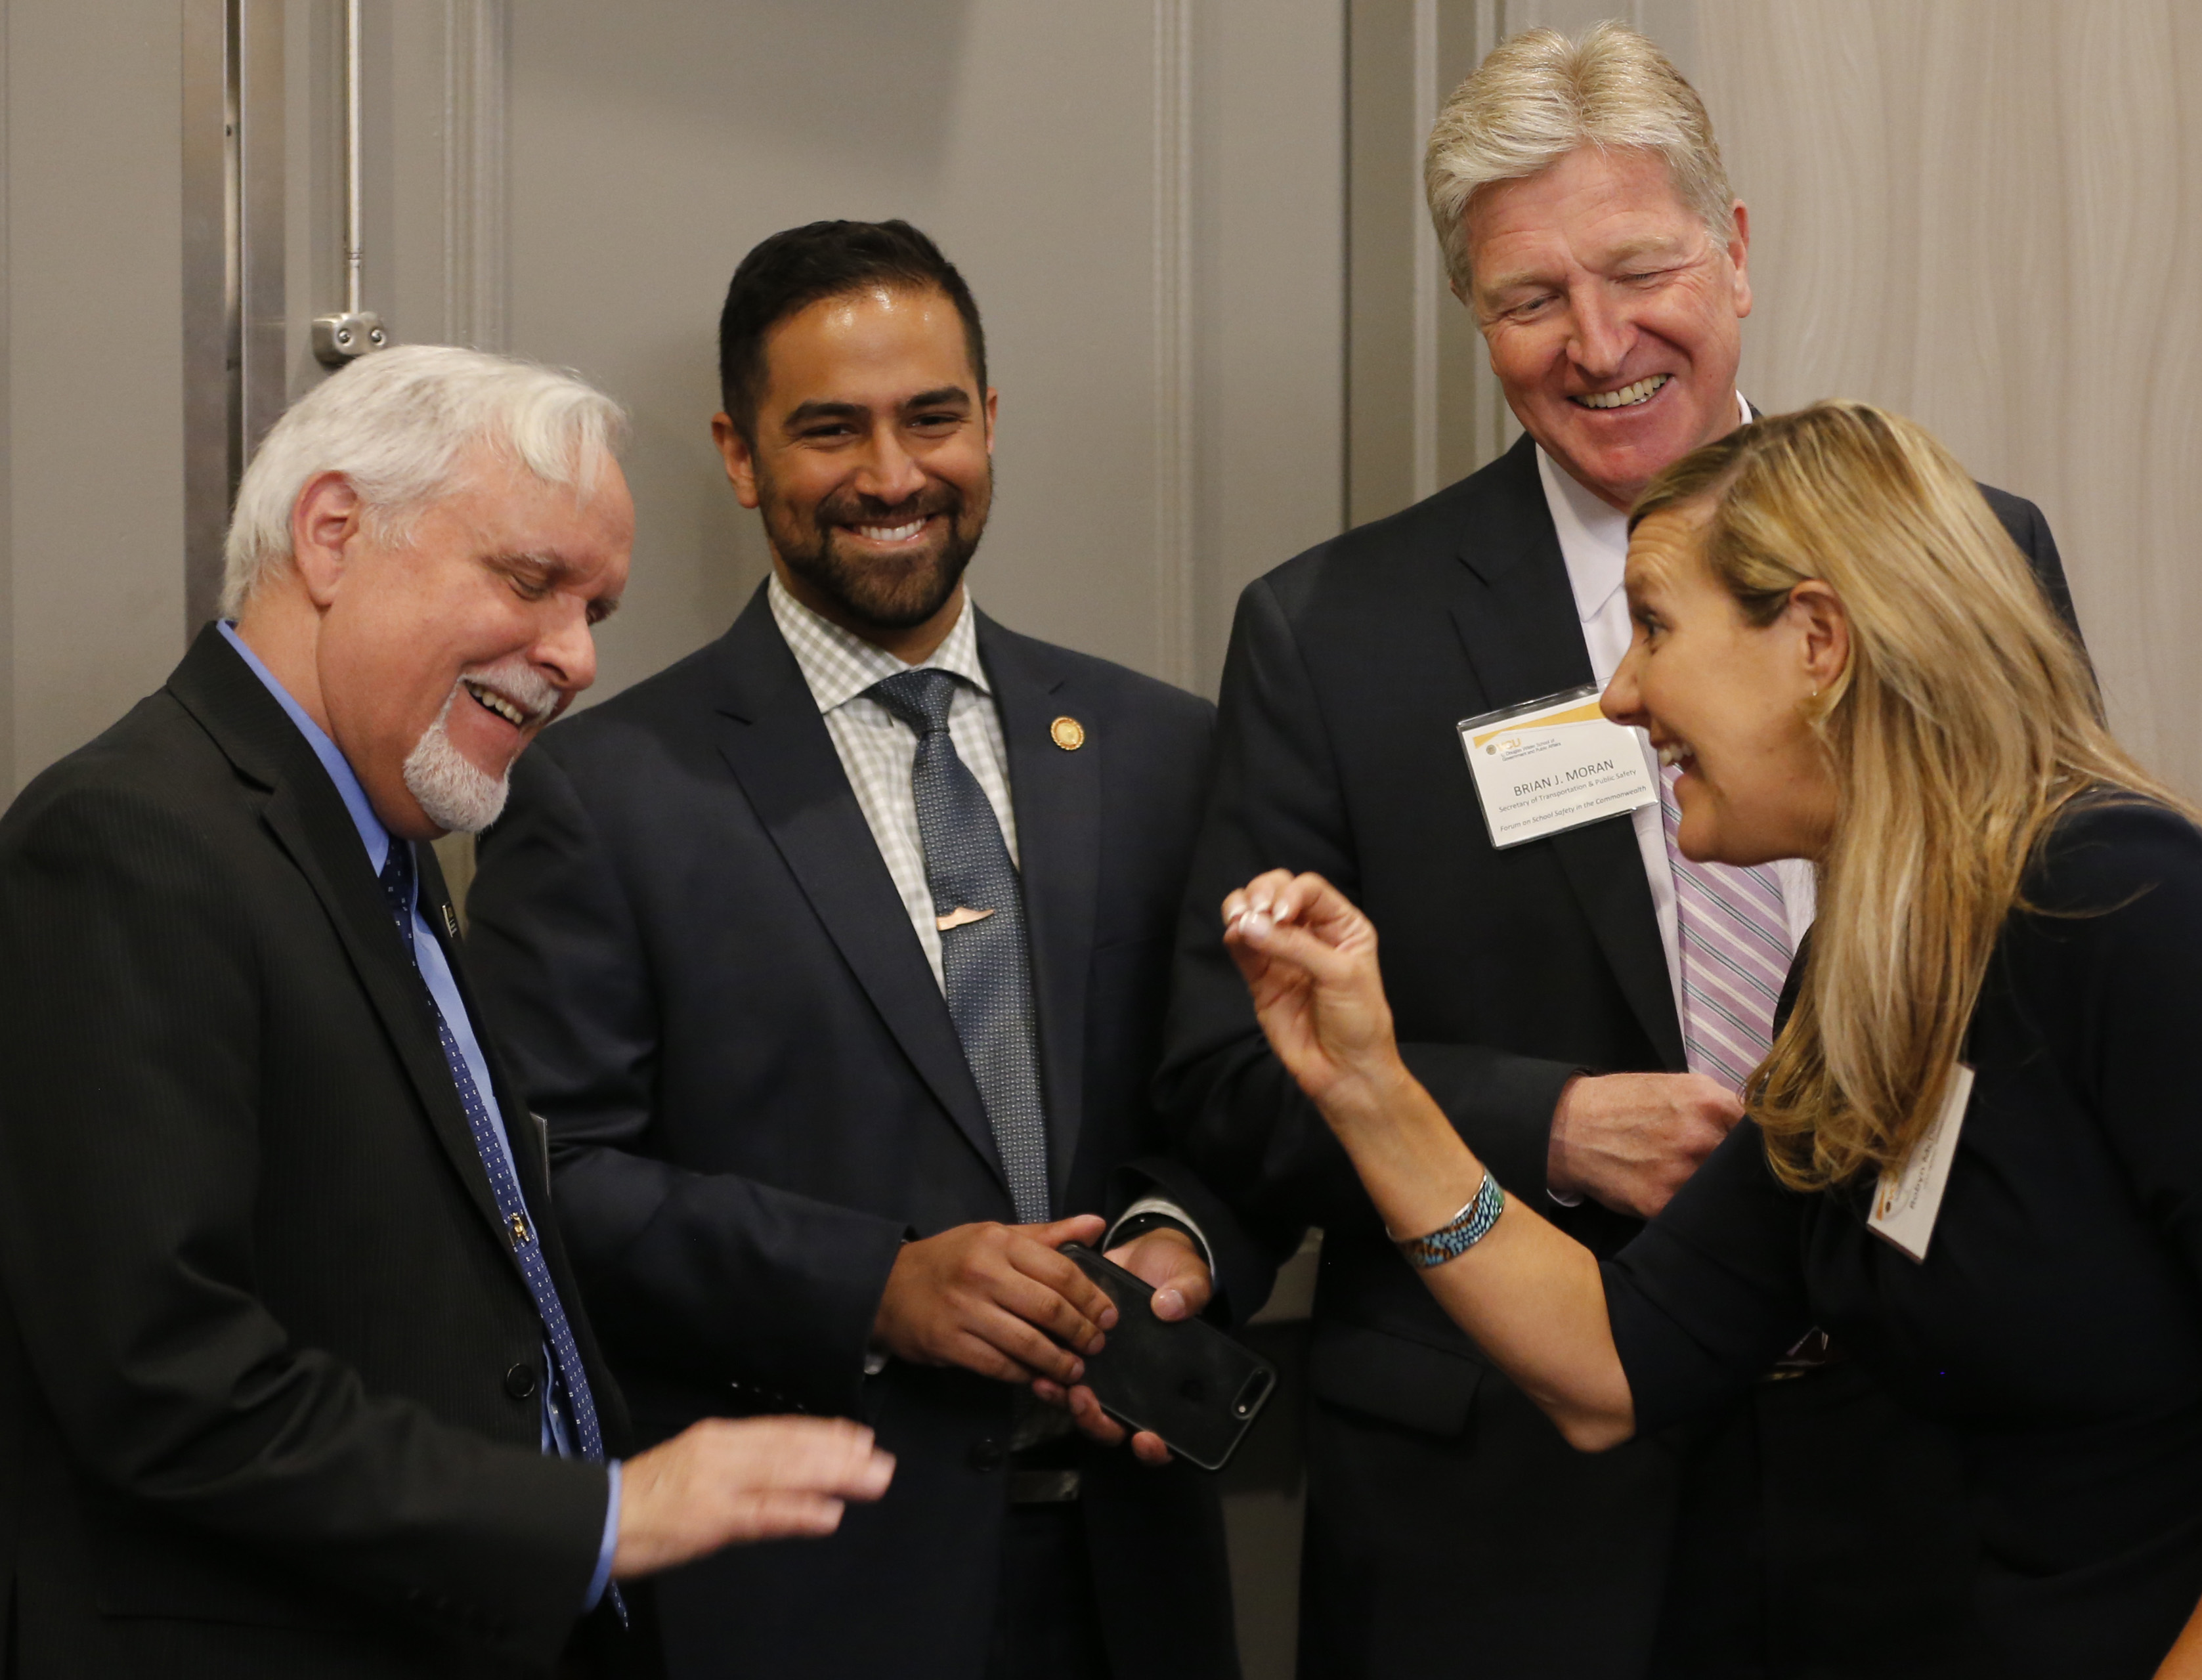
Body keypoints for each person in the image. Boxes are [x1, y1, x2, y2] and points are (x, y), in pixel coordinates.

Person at [1158, 22, 2081, 1678]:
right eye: (1529, 299)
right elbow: (1229, 1072)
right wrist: (1553, 1123)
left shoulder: (1975, 558)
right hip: (1506, 1503)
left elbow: (2048, 979)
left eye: (1640, 268)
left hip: (1915, 1459)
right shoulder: (1333, 630)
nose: (1599, 343)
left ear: (1731, 252)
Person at [1217, 400, 2202, 1680]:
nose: (1620, 694)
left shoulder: (2129, 906)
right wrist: (1368, 1085)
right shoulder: (1854, 982)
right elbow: (1614, 1356)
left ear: (1816, 641)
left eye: (1657, 626)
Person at [0, 345, 894, 1679]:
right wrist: (599, 1514)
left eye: (597, 607)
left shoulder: (387, 843)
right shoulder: (129, 841)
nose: (578, 657)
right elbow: (165, 1378)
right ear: (334, 533)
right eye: (533, 581)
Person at [463, 221, 1270, 1680]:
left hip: (1131, 1576)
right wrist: (874, 1286)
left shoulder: (1164, 750)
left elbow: (1235, 1102)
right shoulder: (603, 796)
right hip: (799, 1602)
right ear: (738, 450)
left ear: (990, 422)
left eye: (932, 418)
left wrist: (1189, 1241)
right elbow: (544, 1183)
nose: (893, 475)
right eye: (830, 428)